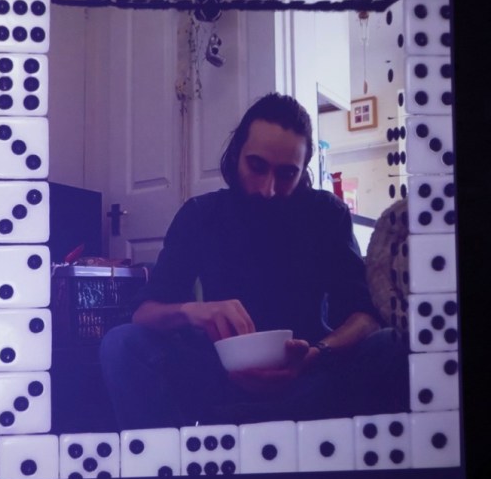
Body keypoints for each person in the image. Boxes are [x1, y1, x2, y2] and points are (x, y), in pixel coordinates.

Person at [100, 93, 408, 429]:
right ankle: (166, 461)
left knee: (393, 344)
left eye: (286, 174)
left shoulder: (326, 214)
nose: (268, 189)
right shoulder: (201, 214)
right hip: (218, 376)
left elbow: (366, 316)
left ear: (303, 171)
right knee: (121, 344)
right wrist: (196, 311)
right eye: (257, 167)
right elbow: (144, 312)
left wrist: (318, 352)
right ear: (236, 155)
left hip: (310, 376)